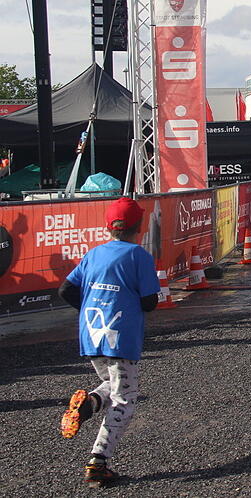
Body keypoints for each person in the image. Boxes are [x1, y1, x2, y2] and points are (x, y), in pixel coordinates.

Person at [56, 197, 161, 488]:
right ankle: (98, 462)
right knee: (125, 400)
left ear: (108, 226)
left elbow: (65, 289)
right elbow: (150, 302)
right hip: (120, 335)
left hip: (91, 333)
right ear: (139, 226)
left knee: (112, 384)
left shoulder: (94, 254)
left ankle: (88, 404)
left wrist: (92, 308)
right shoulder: (138, 256)